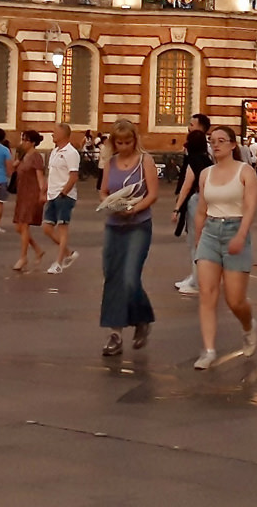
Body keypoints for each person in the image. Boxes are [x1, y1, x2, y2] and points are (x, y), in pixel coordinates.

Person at [191, 125, 257, 368]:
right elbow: (201, 210)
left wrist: (241, 235)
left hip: (235, 229)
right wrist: (199, 239)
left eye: (222, 140)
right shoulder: (205, 174)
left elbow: (250, 207)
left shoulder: (245, 172)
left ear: (233, 145)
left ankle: (248, 325)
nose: (216, 144)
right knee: (207, 294)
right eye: (212, 140)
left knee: (235, 300)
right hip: (210, 232)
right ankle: (208, 350)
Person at [99, 118, 159, 356]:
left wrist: (134, 208)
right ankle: (115, 334)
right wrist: (108, 202)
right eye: (119, 142)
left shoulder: (145, 161)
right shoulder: (110, 162)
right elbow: (103, 190)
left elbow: (153, 194)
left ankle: (142, 319)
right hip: (114, 224)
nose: (124, 146)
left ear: (135, 140)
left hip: (138, 225)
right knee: (112, 276)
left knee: (130, 277)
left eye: (128, 142)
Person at [170, 116, 212, 295]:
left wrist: (176, 208)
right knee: (200, 241)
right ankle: (195, 276)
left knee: (196, 241)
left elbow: (187, 184)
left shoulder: (195, 159)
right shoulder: (207, 157)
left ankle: (197, 280)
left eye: (191, 125)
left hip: (196, 200)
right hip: (206, 200)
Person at [43, 123, 81, 273]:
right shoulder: (54, 151)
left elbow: (73, 176)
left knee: (62, 228)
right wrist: (45, 191)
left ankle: (58, 263)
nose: (52, 135)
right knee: (47, 228)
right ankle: (69, 253)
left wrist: (64, 192)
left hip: (64, 196)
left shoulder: (71, 153)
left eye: (55, 132)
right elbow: (51, 174)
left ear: (63, 135)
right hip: (53, 194)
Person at [10, 130, 47, 272]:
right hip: (22, 194)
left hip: (32, 195)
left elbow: (40, 178)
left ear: (32, 142)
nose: (23, 143)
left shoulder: (36, 157)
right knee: (18, 227)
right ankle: (38, 250)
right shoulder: (23, 155)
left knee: (24, 226)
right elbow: (13, 170)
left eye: (26, 140)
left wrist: (42, 193)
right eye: (22, 139)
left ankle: (23, 257)